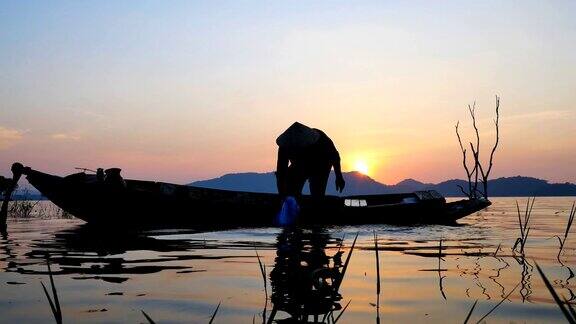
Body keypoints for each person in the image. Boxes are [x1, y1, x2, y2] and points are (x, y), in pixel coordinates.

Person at [275, 122, 345, 198]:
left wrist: (338, 176)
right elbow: (281, 172)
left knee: (317, 193)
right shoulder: (284, 146)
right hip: (299, 165)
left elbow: (334, 156)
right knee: (290, 189)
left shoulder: (322, 141)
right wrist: (282, 195)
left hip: (321, 163)